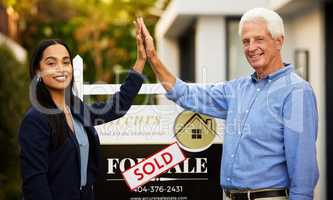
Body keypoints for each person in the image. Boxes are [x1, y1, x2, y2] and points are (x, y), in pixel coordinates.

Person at [135, 7, 319, 200]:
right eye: (246, 41)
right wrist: (153, 58)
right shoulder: (237, 89)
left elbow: (303, 171)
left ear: (279, 41)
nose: (251, 47)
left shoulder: (296, 92)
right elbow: (185, 93)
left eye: (259, 39)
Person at [19, 23, 147, 200]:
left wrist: (141, 60)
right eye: (51, 63)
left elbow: (115, 108)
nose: (61, 68)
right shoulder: (35, 119)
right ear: (38, 71)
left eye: (66, 62)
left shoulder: (75, 107)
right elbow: (35, 184)